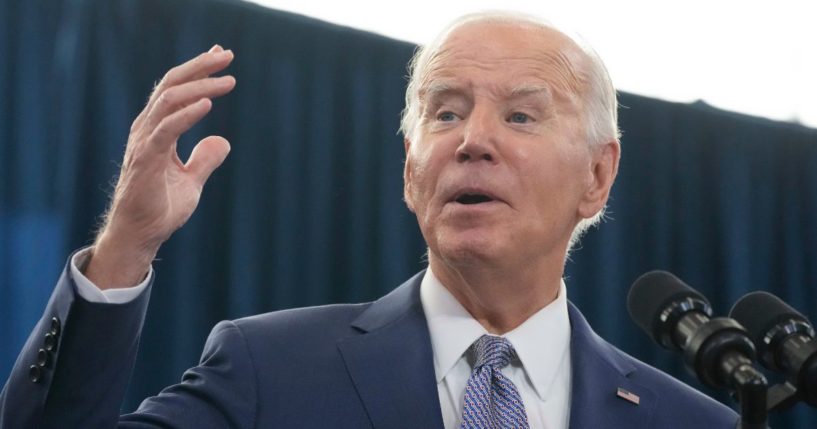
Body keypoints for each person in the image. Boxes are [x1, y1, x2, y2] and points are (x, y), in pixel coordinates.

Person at [0, 11, 738, 429]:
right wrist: (124, 248)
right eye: (444, 112)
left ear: (597, 175)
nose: (471, 139)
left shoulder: (690, 423)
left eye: (519, 114)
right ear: (410, 168)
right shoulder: (269, 370)